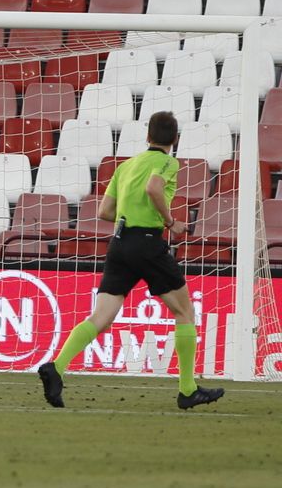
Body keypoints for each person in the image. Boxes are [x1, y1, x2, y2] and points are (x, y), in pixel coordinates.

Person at [38, 111, 223, 410]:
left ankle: (57, 367)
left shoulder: (125, 166)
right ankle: (187, 389)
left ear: (147, 136)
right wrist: (169, 221)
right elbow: (153, 188)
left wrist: (132, 215)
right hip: (147, 243)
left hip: (119, 243)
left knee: (100, 318)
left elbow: (104, 212)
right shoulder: (167, 162)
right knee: (185, 312)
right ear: (175, 139)